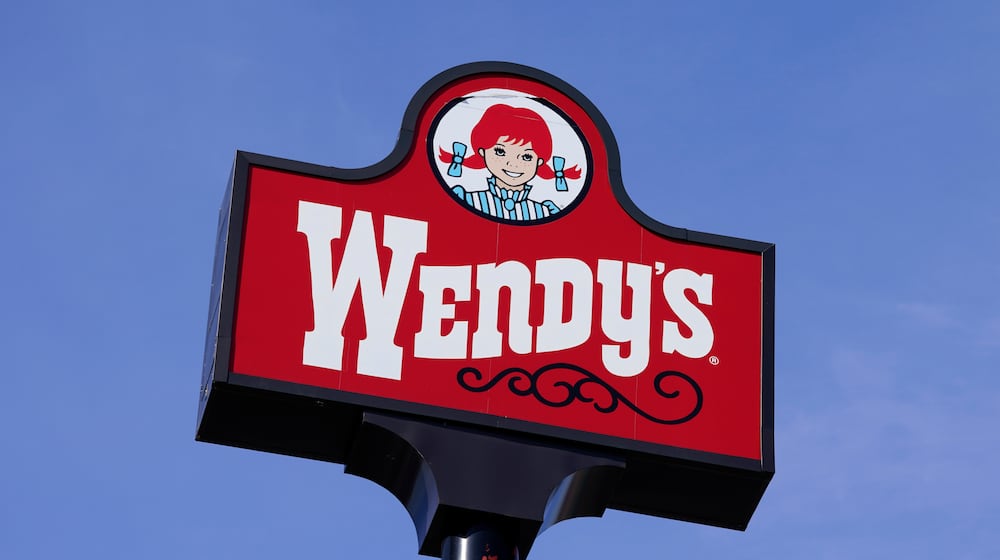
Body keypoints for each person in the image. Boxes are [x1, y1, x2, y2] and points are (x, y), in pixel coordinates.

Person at [440, 103, 581, 221]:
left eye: (526, 157)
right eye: (500, 152)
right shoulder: (467, 199)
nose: (513, 164)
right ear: (482, 152)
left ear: (539, 161)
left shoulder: (545, 212)